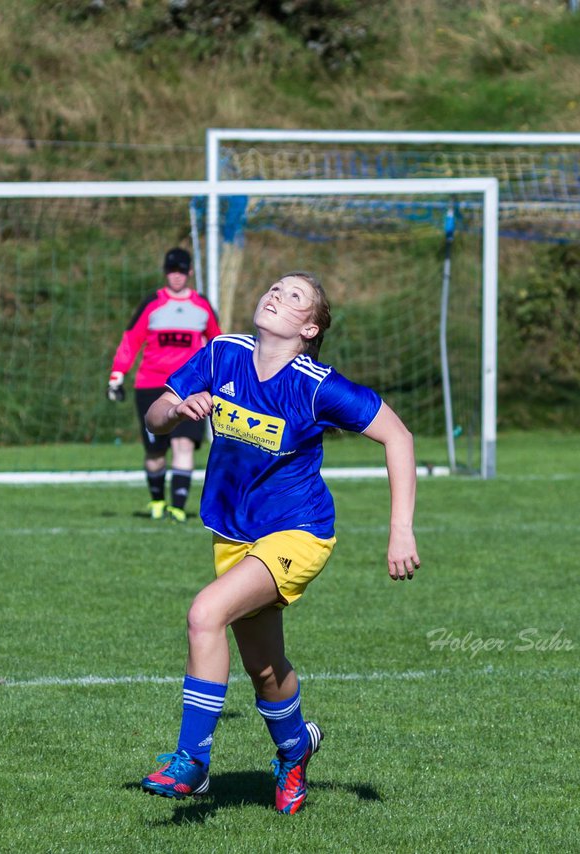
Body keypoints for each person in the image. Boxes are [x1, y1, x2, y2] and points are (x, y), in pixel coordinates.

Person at [137, 271, 420, 814]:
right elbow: (155, 418)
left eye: (293, 296)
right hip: (232, 532)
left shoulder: (316, 384)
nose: (275, 295)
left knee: (205, 614)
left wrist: (400, 528)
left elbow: (398, 436)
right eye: (273, 288)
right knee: (264, 670)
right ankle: (295, 750)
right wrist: (176, 408)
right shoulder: (222, 354)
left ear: (309, 327)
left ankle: (191, 762)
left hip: (299, 531)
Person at [107, 247, 222, 522]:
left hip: (191, 387)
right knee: (156, 451)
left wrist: (221, 379)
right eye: (172, 271)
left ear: (190, 273)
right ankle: (157, 501)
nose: (177, 277)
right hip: (150, 385)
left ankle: (178, 507)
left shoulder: (202, 306)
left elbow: (218, 343)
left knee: (183, 444)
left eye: (181, 271)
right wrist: (116, 375)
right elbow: (131, 340)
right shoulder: (152, 304)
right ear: (165, 272)